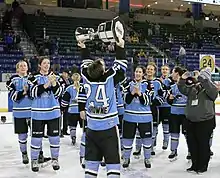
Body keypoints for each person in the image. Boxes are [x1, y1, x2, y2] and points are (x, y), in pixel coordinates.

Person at [78, 37, 127, 178]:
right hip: (109, 128)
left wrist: (83, 47)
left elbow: (85, 62)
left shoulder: (85, 76)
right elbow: (121, 65)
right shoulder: (110, 78)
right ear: (103, 70)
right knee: (113, 167)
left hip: (92, 128)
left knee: (91, 168)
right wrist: (120, 46)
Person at [178, 67, 218, 173]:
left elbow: (213, 93)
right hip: (191, 120)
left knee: (203, 144)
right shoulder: (193, 87)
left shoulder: (211, 88)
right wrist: (182, 79)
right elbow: (182, 89)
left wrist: (202, 78)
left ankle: (202, 165)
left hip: (205, 121)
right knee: (192, 144)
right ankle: (194, 164)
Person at [29, 57, 63, 172]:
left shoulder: (56, 77)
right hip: (38, 113)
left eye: (48, 63)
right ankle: (34, 160)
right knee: (36, 139)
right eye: (44, 63)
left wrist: (53, 83)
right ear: (40, 65)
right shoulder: (33, 77)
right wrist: (47, 84)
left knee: (54, 139)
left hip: (53, 113)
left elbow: (59, 93)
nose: (47, 65)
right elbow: (32, 92)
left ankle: (55, 159)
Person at [122, 66, 153, 168]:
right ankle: (126, 158)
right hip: (129, 117)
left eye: (140, 72)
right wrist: (132, 93)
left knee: (147, 139)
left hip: (145, 118)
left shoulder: (148, 85)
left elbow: (149, 101)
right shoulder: (128, 84)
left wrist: (139, 94)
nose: (138, 73)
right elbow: (125, 100)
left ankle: (147, 158)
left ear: (143, 74)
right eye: (136, 71)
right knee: (127, 138)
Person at [6, 60, 32, 165]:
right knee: (22, 135)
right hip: (19, 112)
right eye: (20, 66)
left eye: (24, 65)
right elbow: (13, 96)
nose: (23, 67)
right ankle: (24, 153)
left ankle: (39, 153)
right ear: (17, 68)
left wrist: (29, 92)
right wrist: (24, 92)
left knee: (36, 135)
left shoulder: (32, 79)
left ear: (27, 68)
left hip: (33, 112)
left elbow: (37, 93)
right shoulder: (12, 80)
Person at [167, 66, 188, 161]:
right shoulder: (172, 86)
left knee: (187, 134)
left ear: (177, 73)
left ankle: (190, 151)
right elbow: (169, 101)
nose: (171, 74)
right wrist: (170, 99)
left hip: (185, 113)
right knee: (174, 133)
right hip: (174, 113)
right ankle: (173, 150)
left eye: (172, 72)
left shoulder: (187, 85)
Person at [61, 72, 82, 145]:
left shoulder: (69, 88)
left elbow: (64, 101)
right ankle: (85, 138)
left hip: (72, 110)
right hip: (82, 110)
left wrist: (62, 107)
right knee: (84, 126)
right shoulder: (84, 87)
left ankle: (73, 137)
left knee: (72, 126)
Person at [158, 64, 172, 150]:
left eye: (166, 69)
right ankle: (153, 142)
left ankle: (166, 141)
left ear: (169, 71)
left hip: (167, 106)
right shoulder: (157, 81)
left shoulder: (171, 81)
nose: (164, 71)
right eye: (163, 69)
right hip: (158, 107)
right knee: (155, 126)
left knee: (166, 125)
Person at [59, 68, 72, 136]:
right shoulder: (60, 80)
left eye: (67, 74)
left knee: (66, 116)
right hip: (60, 99)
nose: (66, 75)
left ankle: (64, 130)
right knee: (59, 116)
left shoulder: (69, 80)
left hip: (67, 100)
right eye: (65, 73)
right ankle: (59, 130)